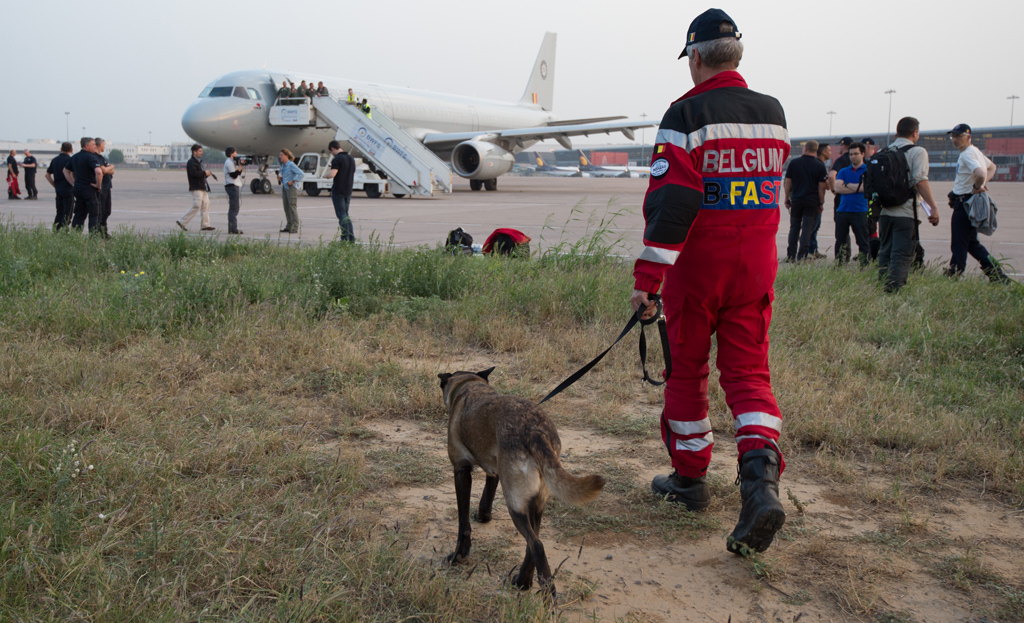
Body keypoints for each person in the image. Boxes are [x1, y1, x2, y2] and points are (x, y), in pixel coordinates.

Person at [631, 8, 791, 556]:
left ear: (695, 57)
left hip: (699, 268)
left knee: (688, 371)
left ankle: (690, 478)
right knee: (748, 373)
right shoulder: (774, 114)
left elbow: (673, 201)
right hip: (756, 266)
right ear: (737, 54)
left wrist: (648, 281)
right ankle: (761, 485)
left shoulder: (685, 113)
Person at [876, 117, 940, 292]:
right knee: (902, 254)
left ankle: (882, 287)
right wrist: (933, 206)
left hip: (884, 212)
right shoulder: (917, 152)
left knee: (885, 252)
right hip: (905, 213)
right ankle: (893, 291)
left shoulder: (883, 151)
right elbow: (920, 181)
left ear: (896, 133)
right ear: (915, 132)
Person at [944, 124, 1008, 282]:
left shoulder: (967, 154)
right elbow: (992, 167)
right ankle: (997, 275)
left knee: (959, 242)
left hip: (965, 202)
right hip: (968, 201)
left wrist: (977, 186)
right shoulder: (975, 151)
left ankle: (955, 273)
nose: (955, 139)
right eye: (953, 136)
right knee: (972, 243)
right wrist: (983, 183)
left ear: (968, 137)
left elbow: (980, 173)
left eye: (959, 136)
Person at [784, 141, 828, 261]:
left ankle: (791, 255)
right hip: (812, 201)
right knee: (807, 229)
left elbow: (788, 182)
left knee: (794, 227)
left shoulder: (794, 163)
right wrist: (821, 203)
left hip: (797, 200)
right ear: (816, 150)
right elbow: (821, 187)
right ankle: (802, 255)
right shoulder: (819, 165)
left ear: (805, 148)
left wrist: (786, 198)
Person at [833, 142, 870, 265]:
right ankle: (840, 263)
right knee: (840, 241)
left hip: (860, 210)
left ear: (863, 154)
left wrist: (847, 185)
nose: (853, 156)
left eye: (856, 154)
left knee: (862, 241)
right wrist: (857, 187)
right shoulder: (844, 171)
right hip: (843, 210)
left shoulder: (867, 170)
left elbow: (867, 188)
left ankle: (864, 265)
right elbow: (837, 188)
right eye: (851, 154)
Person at [63, 137, 103, 232]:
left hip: (78, 189)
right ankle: (93, 237)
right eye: (93, 144)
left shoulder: (75, 157)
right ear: (86, 145)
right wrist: (98, 185)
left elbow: (65, 171)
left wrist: (73, 183)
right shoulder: (91, 157)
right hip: (89, 189)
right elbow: (99, 171)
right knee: (94, 214)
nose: (95, 146)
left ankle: (75, 236)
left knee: (79, 214)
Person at [176, 143, 216, 232]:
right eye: (200, 151)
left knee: (206, 205)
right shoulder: (191, 162)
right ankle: (181, 221)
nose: (201, 153)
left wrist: (206, 174)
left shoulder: (198, 162)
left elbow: (200, 174)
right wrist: (204, 173)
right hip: (196, 187)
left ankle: (205, 225)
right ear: (194, 152)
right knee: (196, 206)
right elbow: (194, 174)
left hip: (202, 187)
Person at [327, 140, 356, 241]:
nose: (332, 154)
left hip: (338, 190)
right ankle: (351, 238)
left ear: (333, 149)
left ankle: (345, 237)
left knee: (341, 215)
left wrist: (327, 175)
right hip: (348, 190)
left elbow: (332, 174)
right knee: (346, 214)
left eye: (331, 152)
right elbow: (352, 174)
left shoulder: (337, 159)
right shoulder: (351, 159)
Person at [45, 142, 75, 230]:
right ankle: (63, 231)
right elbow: (72, 173)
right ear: (71, 150)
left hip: (58, 189)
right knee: (68, 213)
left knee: (59, 212)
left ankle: (56, 229)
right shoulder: (71, 160)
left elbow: (47, 175)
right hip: (68, 189)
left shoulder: (55, 160)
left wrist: (55, 185)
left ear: (61, 149)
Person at [277, 148, 303, 233]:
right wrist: (280, 178)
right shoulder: (283, 166)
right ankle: (289, 225)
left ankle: (295, 227)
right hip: (285, 188)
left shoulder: (291, 164)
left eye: (281, 155)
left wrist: (293, 180)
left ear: (286, 156)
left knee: (292, 207)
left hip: (291, 188)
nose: (280, 157)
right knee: (286, 207)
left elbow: (301, 174)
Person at [93, 138, 115, 237]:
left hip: (107, 187)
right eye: (103, 144)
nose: (104, 146)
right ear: (99, 145)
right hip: (101, 188)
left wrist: (109, 168)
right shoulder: (95, 157)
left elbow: (111, 171)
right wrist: (109, 168)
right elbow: (104, 171)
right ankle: (100, 231)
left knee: (107, 210)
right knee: (101, 211)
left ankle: (103, 230)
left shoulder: (102, 157)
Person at [223, 146, 244, 234]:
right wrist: (241, 165)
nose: (236, 154)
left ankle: (232, 228)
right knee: (234, 208)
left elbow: (238, 172)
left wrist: (240, 165)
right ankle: (233, 228)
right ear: (231, 153)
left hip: (233, 185)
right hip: (232, 186)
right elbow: (234, 175)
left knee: (234, 208)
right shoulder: (229, 162)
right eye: (235, 152)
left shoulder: (231, 162)